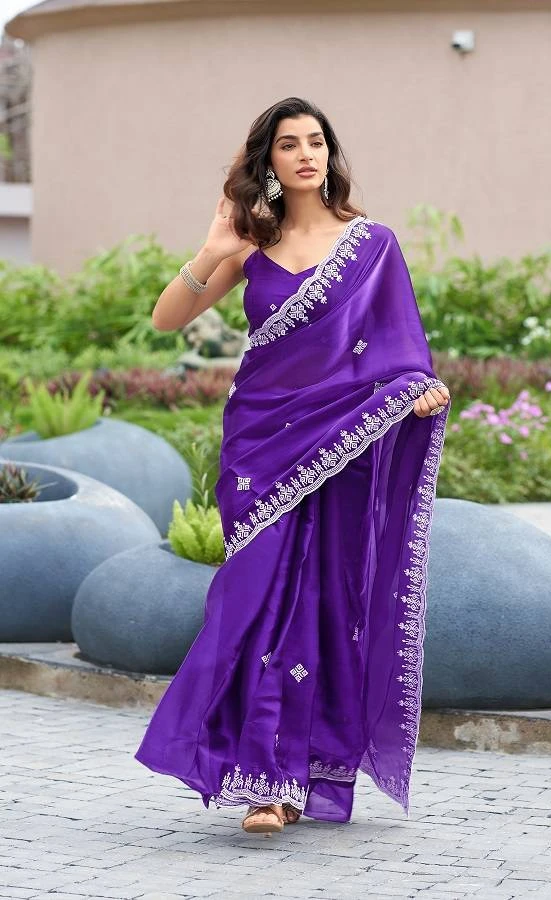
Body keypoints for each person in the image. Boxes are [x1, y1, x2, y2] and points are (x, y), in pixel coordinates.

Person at [134, 97, 451, 836]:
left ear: (329, 155)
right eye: (289, 144)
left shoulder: (372, 245)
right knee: (251, 597)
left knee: (322, 600)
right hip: (260, 445)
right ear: (268, 160)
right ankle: (257, 769)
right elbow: (166, 318)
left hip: (338, 444)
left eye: (315, 142)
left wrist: (416, 388)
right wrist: (212, 250)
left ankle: (281, 782)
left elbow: (397, 346)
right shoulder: (250, 244)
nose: (305, 154)